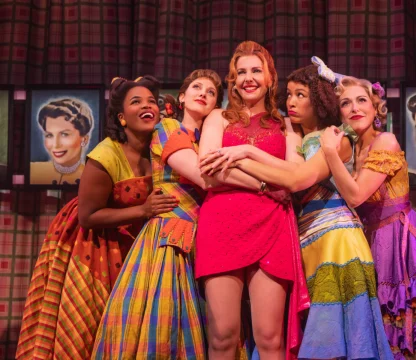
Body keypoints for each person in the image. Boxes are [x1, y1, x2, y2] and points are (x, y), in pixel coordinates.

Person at [202, 61, 393, 359]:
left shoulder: (334, 138)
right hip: (307, 238)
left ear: (319, 99)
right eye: (289, 94)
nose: (291, 101)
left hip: (336, 239)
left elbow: (296, 179)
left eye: (301, 94)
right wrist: (248, 154)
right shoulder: (302, 140)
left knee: (337, 335)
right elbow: (292, 170)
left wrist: (243, 153)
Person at [91, 69, 266, 359]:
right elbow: (205, 176)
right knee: (166, 321)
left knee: (217, 326)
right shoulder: (169, 127)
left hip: (208, 236)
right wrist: (265, 184)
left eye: (211, 93)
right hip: (171, 236)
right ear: (182, 97)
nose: (203, 94)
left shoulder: (215, 139)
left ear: (216, 107)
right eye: (197, 87)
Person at [16, 76, 178, 360]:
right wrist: (144, 210)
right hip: (95, 248)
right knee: (92, 329)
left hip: (137, 248)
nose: (147, 105)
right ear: (122, 117)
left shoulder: (161, 150)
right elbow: (88, 216)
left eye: (152, 101)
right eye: (136, 101)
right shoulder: (105, 154)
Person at [320, 76, 416, 358]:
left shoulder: (386, 140)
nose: (355, 108)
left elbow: (356, 196)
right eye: (346, 103)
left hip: (404, 241)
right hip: (372, 243)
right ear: (339, 112)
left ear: (375, 107)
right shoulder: (355, 150)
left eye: (362, 100)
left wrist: (330, 152)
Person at [194, 41, 309, 360]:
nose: (248, 77)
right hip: (221, 226)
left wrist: (241, 156)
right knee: (223, 336)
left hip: (272, 226)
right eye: (240, 72)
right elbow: (209, 171)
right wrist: (263, 182)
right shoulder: (217, 118)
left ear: (271, 77)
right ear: (232, 80)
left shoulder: (287, 125)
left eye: (256, 70)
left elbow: (296, 176)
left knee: (270, 336)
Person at [30, 98, 94, 185]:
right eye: (49, 135)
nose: (56, 145)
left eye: (64, 134)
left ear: (84, 139)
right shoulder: (33, 172)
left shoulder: (93, 177)